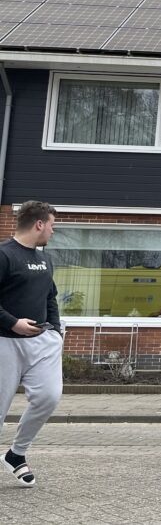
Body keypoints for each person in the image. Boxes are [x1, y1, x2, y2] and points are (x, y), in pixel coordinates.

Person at [0, 200, 62, 488]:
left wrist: (55, 331)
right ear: (39, 224)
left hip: (42, 342)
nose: (52, 230)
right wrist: (13, 323)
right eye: (51, 225)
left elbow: (50, 296)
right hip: (5, 341)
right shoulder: (4, 255)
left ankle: (16, 453)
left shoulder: (45, 259)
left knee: (49, 397)